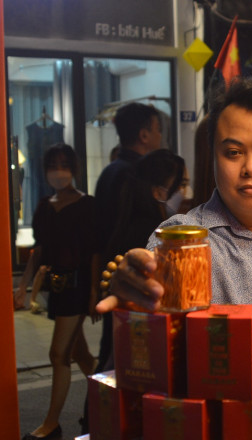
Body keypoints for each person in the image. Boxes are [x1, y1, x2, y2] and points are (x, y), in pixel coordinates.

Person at [96, 77, 252, 383]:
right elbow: (148, 297)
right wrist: (134, 292)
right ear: (213, 159)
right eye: (233, 153)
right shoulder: (183, 242)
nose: (251, 167)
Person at [16, 144, 99, 440]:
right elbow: (39, 251)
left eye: (64, 165)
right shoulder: (43, 206)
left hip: (78, 287)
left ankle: (51, 424)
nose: (58, 171)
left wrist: (93, 293)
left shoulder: (87, 205)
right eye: (53, 165)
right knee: (81, 354)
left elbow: (93, 253)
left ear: (74, 169)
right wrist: (23, 286)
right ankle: (103, 406)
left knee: (58, 353)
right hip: (57, 287)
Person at [92, 102, 162, 376]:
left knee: (110, 353)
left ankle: (95, 414)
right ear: (144, 136)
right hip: (134, 279)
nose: (160, 137)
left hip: (113, 275)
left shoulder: (110, 171)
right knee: (123, 359)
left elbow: (98, 234)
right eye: (157, 130)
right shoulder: (137, 175)